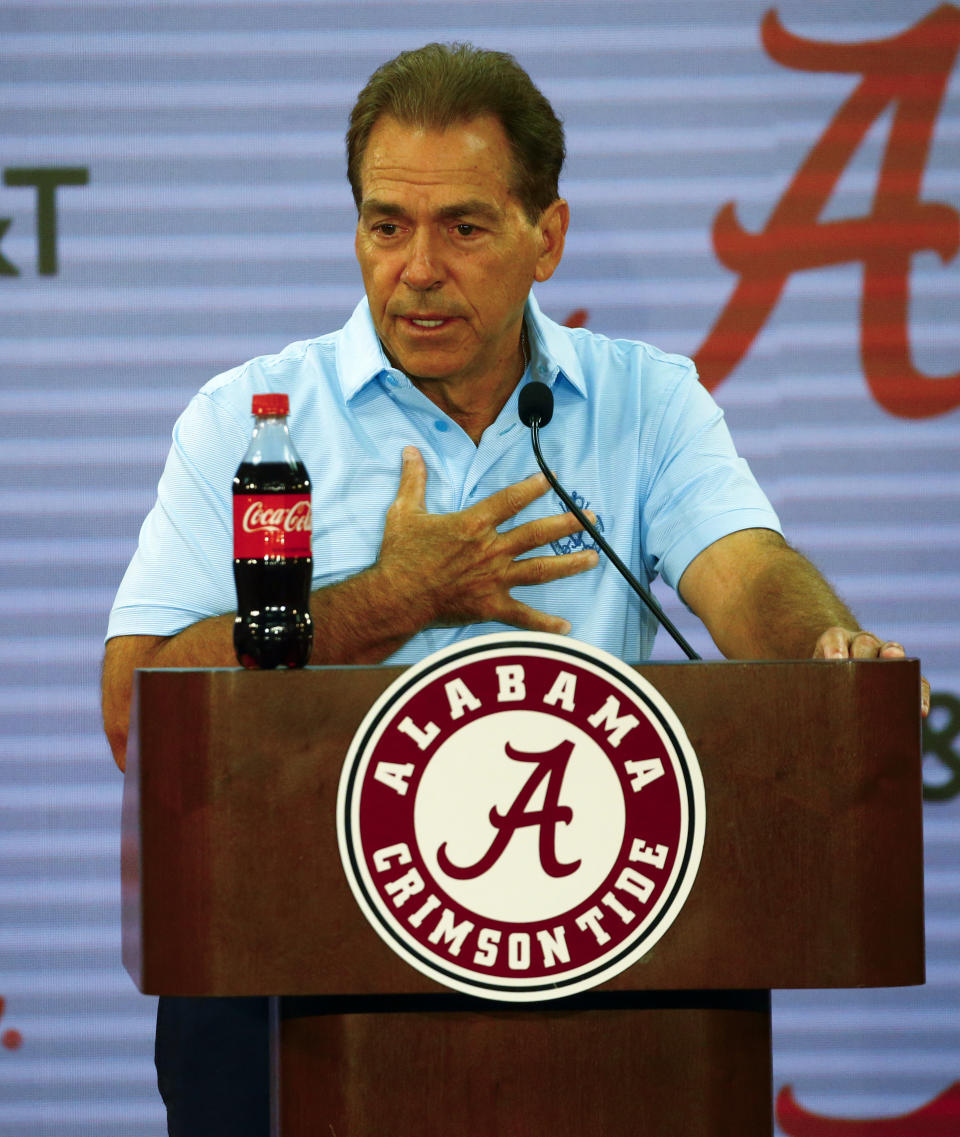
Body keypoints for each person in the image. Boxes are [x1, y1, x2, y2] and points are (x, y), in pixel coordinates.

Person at [101, 41, 928, 1137]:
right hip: (293, 991)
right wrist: (391, 599)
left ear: (548, 239)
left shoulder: (644, 403)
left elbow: (745, 574)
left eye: (465, 228)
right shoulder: (251, 421)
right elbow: (137, 708)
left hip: (607, 987)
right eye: (386, 225)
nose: (418, 268)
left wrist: (827, 646)